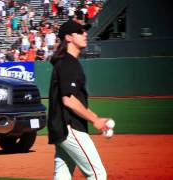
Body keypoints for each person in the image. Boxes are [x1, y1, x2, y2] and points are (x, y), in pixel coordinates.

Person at [48, 20, 109, 180]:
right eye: (80, 32)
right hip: (70, 128)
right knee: (97, 174)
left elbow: (75, 100)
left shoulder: (66, 62)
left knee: (62, 176)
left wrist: (95, 118)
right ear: (68, 37)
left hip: (63, 129)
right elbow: (68, 100)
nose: (85, 34)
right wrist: (95, 119)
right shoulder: (67, 63)